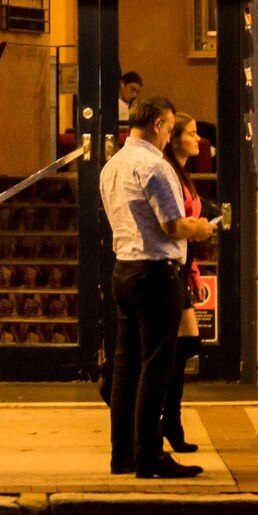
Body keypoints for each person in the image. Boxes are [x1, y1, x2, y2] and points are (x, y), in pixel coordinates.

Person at [98, 95, 206, 478]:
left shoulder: (112, 166)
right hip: (157, 273)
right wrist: (204, 228)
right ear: (159, 126)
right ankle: (150, 455)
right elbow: (173, 226)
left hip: (123, 270)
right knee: (156, 367)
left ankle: (121, 454)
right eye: (169, 127)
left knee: (125, 367)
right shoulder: (155, 167)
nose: (168, 136)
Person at [159, 110, 216, 455]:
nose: (199, 139)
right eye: (192, 133)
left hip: (183, 266)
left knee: (186, 345)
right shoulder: (168, 175)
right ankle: (167, 419)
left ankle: (170, 419)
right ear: (175, 136)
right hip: (169, 266)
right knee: (178, 347)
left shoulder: (183, 174)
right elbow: (177, 225)